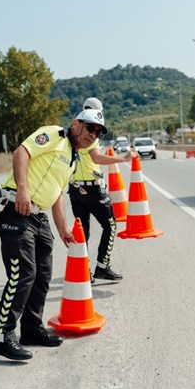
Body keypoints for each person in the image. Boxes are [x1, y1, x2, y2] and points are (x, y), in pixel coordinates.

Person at [0, 108, 108, 361]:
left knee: (42, 275)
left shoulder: (73, 159)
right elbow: (21, 152)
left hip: (39, 217)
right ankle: (1, 335)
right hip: (16, 209)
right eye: (90, 128)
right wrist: (22, 190)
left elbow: (57, 196)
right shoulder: (55, 134)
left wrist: (62, 228)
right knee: (23, 273)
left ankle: (31, 329)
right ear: (76, 124)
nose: (93, 135)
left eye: (98, 132)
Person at [68, 97, 133, 283]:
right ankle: (102, 267)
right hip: (92, 188)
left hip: (75, 188)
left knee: (83, 232)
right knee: (110, 225)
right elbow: (96, 158)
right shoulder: (92, 129)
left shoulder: (75, 130)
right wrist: (122, 159)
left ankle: (84, 270)